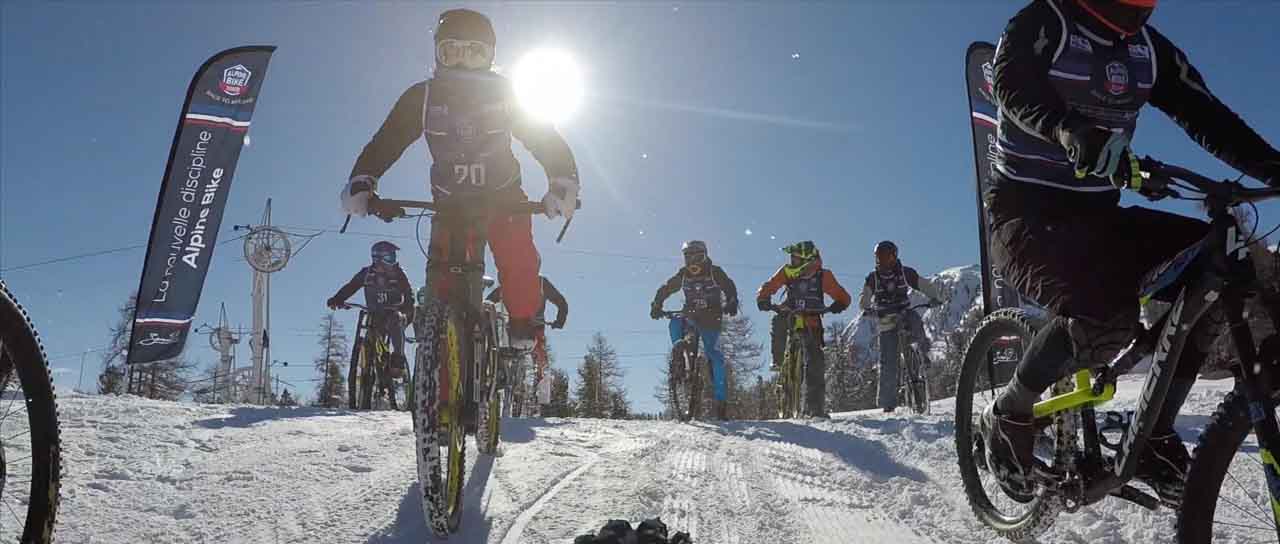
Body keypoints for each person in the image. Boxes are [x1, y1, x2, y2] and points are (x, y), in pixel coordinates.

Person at [980, 0, 1280, 505]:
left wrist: (1273, 168)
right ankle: (1011, 409)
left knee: (1220, 263)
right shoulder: (1043, 22)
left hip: (1100, 214)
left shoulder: (1148, 49)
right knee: (1103, 320)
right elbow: (1013, 87)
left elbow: (1205, 114)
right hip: (1024, 213)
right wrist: (1066, 128)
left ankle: (1156, 436)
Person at [340, 8, 579, 350]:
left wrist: (561, 179)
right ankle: (440, 356)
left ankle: (524, 322)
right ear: (438, 53)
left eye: (475, 53)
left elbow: (543, 137)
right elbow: (387, 141)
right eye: (452, 52)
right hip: (451, 203)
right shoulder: (421, 97)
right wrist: (363, 179)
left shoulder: (506, 94)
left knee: (519, 261)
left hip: (504, 198)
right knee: (443, 277)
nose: (463, 64)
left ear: (490, 57)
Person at [755, 241, 851, 418]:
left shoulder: (823, 276)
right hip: (789, 313)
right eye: (792, 258)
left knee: (816, 361)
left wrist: (840, 304)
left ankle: (815, 409)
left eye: (796, 259)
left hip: (812, 319)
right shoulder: (787, 272)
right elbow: (770, 285)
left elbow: (843, 295)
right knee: (778, 321)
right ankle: (778, 360)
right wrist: (763, 298)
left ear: (808, 260)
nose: (792, 262)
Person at [649, 240, 740, 420]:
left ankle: (721, 402)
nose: (692, 261)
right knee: (674, 323)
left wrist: (732, 301)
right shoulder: (683, 275)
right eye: (688, 257)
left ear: (704, 256)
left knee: (713, 355)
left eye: (696, 256)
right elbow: (667, 288)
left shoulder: (715, 272)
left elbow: (729, 286)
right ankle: (680, 360)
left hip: (711, 318)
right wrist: (657, 304)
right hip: (690, 314)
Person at [858, 240, 943, 413]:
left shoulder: (905, 273)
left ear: (893, 256)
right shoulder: (873, 278)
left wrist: (935, 297)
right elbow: (865, 297)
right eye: (878, 257)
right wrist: (866, 307)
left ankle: (923, 355)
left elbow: (923, 285)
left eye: (884, 256)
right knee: (888, 362)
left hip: (904, 313)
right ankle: (888, 405)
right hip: (885, 318)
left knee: (916, 323)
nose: (880, 260)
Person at [327, 241, 415, 377]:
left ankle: (398, 359)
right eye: (389, 258)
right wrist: (337, 299)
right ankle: (369, 372)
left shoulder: (398, 274)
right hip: (375, 313)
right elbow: (351, 286)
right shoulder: (366, 273)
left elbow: (409, 294)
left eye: (393, 259)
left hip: (394, 313)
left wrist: (406, 311)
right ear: (377, 259)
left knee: (395, 320)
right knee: (371, 337)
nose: (392, 263)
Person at [487, 275, 567, 405]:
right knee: (541, 360)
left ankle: (499, 376)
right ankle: (543, 396)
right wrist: (560, 321)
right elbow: (561, 302)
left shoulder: (512, 280)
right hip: (535, 327)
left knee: (501, 349)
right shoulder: (541, 282)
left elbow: (492, 299)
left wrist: (485, 309)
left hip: (514, 327)